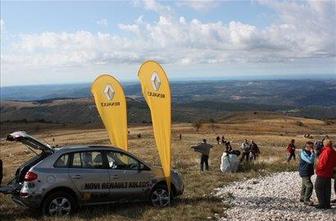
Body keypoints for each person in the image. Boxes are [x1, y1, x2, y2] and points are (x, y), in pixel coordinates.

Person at [315, 139, 336, 209]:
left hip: (323, 172)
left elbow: (322, 163)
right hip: (329, 172)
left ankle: (322, 203)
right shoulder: (333, 151)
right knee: (327, 189)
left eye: (323, 142)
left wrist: (318, 169)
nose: (322, 144)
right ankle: (327, 204)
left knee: (318, 187)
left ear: (326, 144)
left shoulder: (326, 151)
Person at [299, 141, 315, 206]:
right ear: (307, 147)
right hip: (304, 171)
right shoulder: (303, 153)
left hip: (308, 171)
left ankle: (302, 197)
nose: (312, 148)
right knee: (309, 185)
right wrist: (312, 153)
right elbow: (310, 161)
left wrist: (312, 153)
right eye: (311, 147)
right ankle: (306, 200)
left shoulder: (310, 152)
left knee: (304, 185)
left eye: (312, 147)